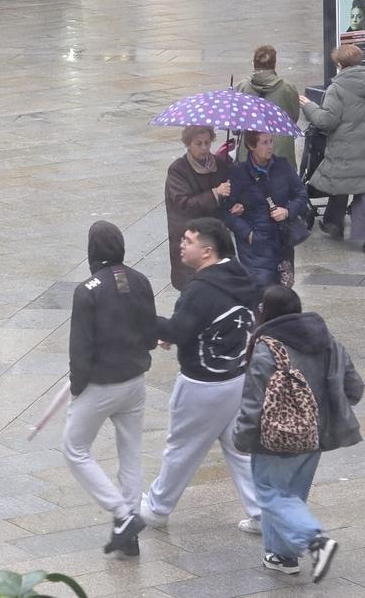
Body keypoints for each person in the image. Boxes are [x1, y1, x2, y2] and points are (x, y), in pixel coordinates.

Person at [233, 285, 364, 581]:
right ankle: (282, 556)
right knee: (292, 495)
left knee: (270, 494)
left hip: (277, 439)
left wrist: (241, 438)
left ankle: (315, 540)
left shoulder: (266, 348)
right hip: (315, 436)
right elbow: (354, 386)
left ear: (265, 312)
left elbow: (253, 404)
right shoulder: (326, 340)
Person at [142, 218, 262, 533]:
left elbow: (179, 330)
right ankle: (263, 512)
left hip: (201, 384)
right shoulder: (242, 278)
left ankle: (156, 508)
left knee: (181, 448)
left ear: (207, 251)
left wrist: (144, 317)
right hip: (237, 378)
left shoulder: (199, 290)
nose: (182, 244)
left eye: (189, 240)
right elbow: (213, 324)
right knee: (239, 449)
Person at [63, 221, 158, 557]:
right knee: (130, 454)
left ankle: (121, 515)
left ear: (91, 250)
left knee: (74, 449)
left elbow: (81, 347)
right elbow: (150, 334)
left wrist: (76, 388)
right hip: (135, 382)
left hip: (101, 385)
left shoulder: (87, 290)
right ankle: (128, 526)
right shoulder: (141, 281)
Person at [299, 44, 365, 255]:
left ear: (340, 65)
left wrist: (308, 106)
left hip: (346, 146)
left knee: (340, 182)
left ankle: (333, 223)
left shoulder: (336, 88)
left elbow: (326, 120)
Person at [226, 132, 310, 288]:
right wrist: (248, 234)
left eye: (271, 141)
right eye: (264, 143)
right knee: (261, 291)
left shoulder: (283, 166)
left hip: (282, 241)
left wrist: (287, 211)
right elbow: (227, 212)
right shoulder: (239, 173)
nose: (270, 146)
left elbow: (302, 195)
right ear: (251, 146)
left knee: (284, 290)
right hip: (255, 245)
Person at [164, 125, 231, 291]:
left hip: (213, 239)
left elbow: (226, 202)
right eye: (198, 143)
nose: (204, 148)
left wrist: (232, 203)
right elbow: (183, 204)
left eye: (207, 143)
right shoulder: (178, 170)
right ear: (188, 144)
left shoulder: (220, 165)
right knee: (193, 289)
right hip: (189, 238)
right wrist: (214, 193)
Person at [235, 45, 301, 168]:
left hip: (250, 151)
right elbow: (293, 118)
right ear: (274, 64)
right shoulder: (288, 88)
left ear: (253, 63)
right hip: (281, 152)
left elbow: (236, 125)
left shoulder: (241, 87)